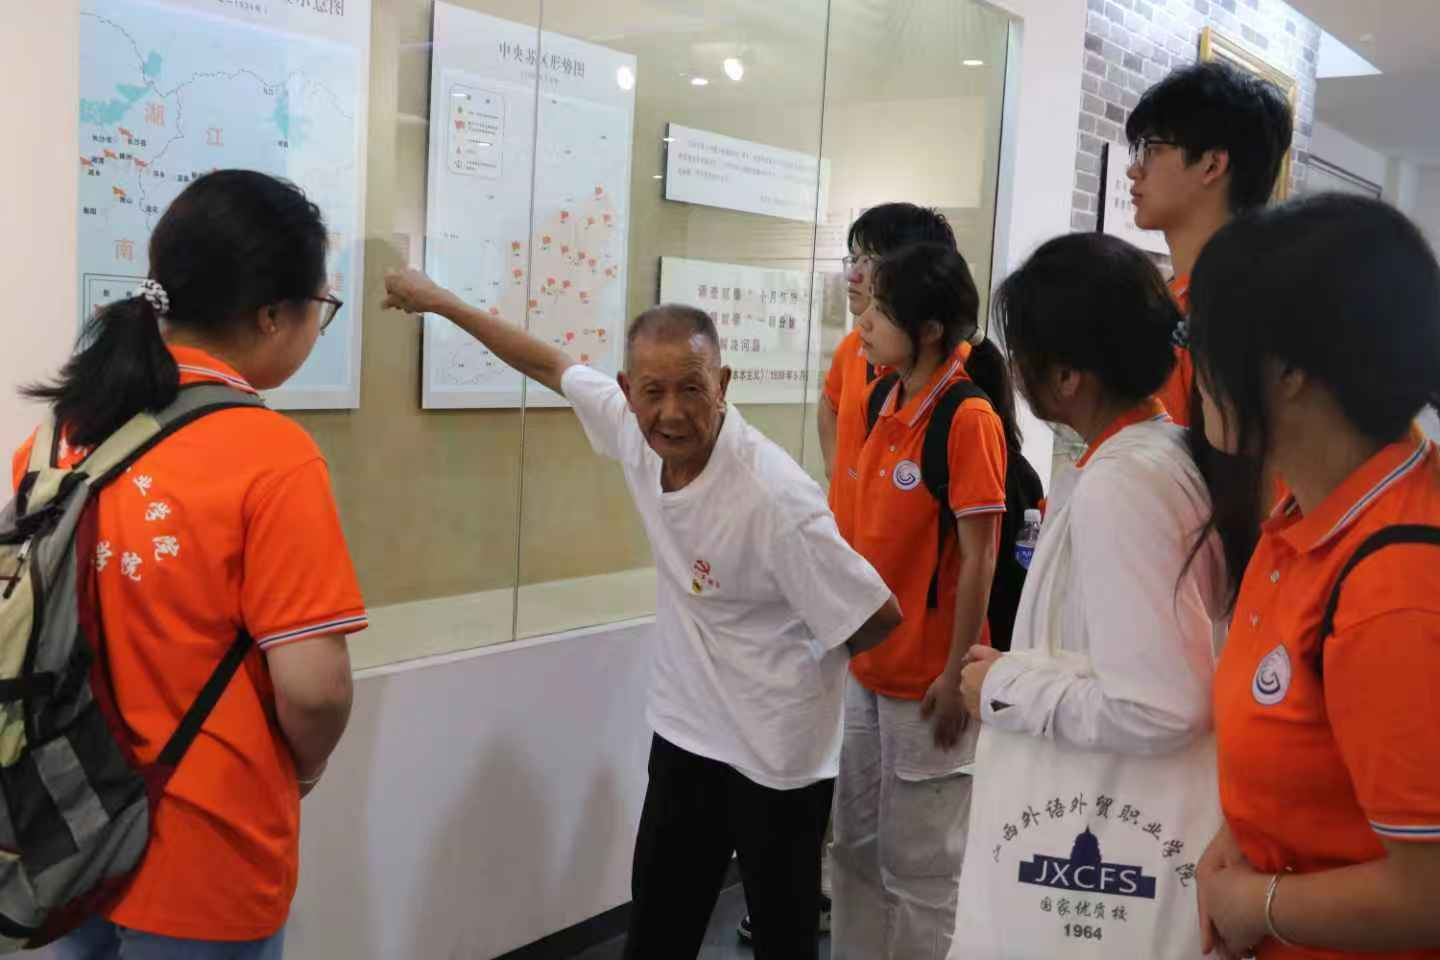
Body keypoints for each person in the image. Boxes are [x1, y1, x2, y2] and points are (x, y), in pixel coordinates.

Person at [381, 269, 902, 960]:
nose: (672, 412)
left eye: (693, 388)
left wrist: (787, 664)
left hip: (778, 756)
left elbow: (874, 615)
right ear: (627, 393)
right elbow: (546, 363)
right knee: (657, 929)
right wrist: (440, 301)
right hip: (688, 733)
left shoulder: (775, 499)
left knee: (783, 939)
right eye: (653, 392)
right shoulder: (633, 431)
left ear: (724, 384)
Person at [22, 171, 366, 959]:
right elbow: (316, 689)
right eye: (320, 306)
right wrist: (304, 771)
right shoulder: (272, 455)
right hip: (206, 851)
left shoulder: (60, 437)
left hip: (62, 837)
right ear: (272, 314)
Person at [954, 233, 1227, 958]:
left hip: (1108, 843)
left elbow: (1161, 704)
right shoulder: (1162, 452)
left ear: (1067, 375)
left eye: (1024, 355)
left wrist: (1005, 688)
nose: (1015, 371)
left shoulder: (1123, 483)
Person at [1191, 195, 1440, 959]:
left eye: (1206, 339)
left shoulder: (1393, 589)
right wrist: (1244, 834)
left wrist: (1257, 904)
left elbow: (1428, 895)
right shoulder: (1307, 509)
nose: (1194, 366)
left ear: (1292, 370)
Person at [829, 243, 1009, 960]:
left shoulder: (967, 418)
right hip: (867, 669)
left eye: (881, 309)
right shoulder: (883, 397)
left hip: (929, 683)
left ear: (930, 328)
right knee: (854, 849)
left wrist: (955, 672)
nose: (864, 322)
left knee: (923, 870)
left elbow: (981, 555)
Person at [1126, 59, 1293, 426]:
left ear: (1212, 166)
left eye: (1152, 148)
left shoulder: (1244, 311)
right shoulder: (1176, 298)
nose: (1134, 169)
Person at [822, 204, 960, 530]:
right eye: (853, 259)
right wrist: (838, 471)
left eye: (868, 261)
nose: (852, 275)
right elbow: (829, 404)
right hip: (847, 545)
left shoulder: (953, 371)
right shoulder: (853, 347)